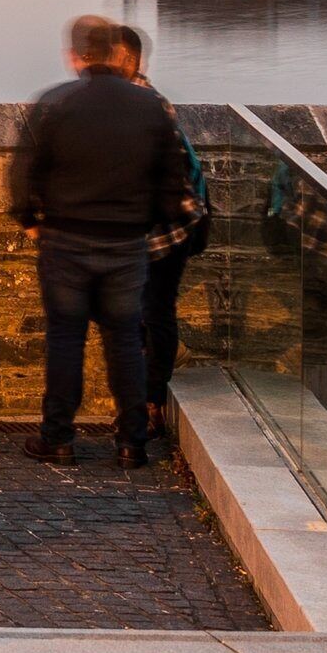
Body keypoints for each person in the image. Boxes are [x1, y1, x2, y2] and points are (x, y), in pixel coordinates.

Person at [11, 13, 200, 465]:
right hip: (126, 243)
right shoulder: (149, 107)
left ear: (74, 55)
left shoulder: (56, 103)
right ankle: (131, 443)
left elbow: (23, 173)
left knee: (65, 339)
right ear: (118, 53)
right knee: (124, 342)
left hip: (66, 240)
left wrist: (30, 220)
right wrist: (142, 221)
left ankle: (58, 437)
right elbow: (174, 188)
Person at [116, 25, 213, 429]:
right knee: (146, 312)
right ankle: (146, 398)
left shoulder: (140, 104)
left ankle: (150, 403)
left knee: (151, 312)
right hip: (162, 225)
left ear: (124, 59)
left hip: (167, 228)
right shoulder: (140, 101)